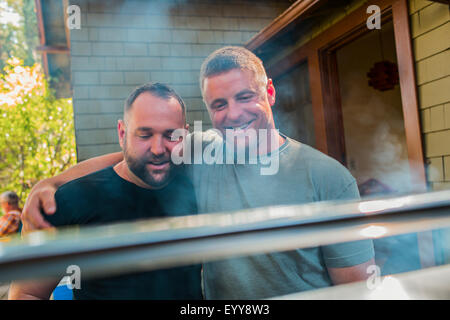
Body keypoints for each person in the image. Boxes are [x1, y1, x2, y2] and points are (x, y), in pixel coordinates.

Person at [22, 46, 375, 299]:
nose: (233, 114)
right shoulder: (201, 151)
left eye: (244, 96)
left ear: (269, 92)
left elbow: (358, 289)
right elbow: (139, 154)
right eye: (219, 104)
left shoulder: (328, 178)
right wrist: (54, 182)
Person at [9, 83, 202, 300]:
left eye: (170, 135)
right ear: (122, 133)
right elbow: (26, 293)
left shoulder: (200, 182)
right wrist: (52, 183)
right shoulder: (72, 200)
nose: (158, 149)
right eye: (144, 135)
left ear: (185, 135)